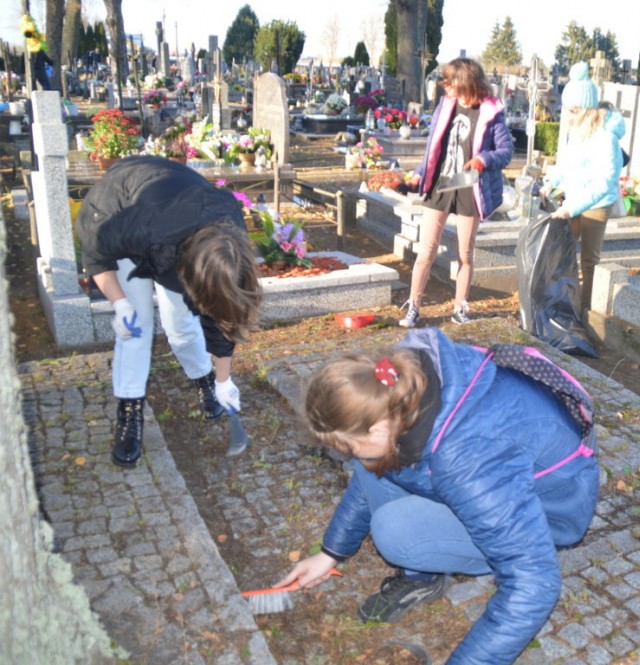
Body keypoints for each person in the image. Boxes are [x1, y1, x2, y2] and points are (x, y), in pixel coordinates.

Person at [278, 328, 599, 663]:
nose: (345, 453)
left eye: (347, 446)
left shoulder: (466, 460)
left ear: (378, 428)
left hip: (548, 513)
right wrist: (330, 553)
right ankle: (421, 574)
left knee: (396, 530)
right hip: (498, 475)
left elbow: (534, 583)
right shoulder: (400, 387)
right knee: (371, 462)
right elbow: (370, 469)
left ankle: (423, 567)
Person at [75, 156, 263, 468]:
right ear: (188, 271)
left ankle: (204, 379)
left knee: (180, 323)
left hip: (175, 220)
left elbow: (222, 312)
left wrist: (223, 379)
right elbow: (96, 250)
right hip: (123, 210)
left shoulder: (229, 235)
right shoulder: (139, 225)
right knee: (136, 327)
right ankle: (130, 407)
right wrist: (119, 303)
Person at [401, 57, 513, 328]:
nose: (444, 85)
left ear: (464, 82)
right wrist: (418, 171)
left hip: (470, 187)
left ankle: (460, 306)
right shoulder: (445, 106)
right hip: (441, 185)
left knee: (465, 253)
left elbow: (505, 151)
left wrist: (482, 159)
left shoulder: (490, 112)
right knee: (426, 250)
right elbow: (433, 146)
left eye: (449, 81)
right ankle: (413, 306)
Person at [542, 62, 623, 313]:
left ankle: (586, 311)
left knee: (589, 260)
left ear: (587, 109)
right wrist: (550, 183)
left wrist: (571, 208)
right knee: (562, 253)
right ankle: (564, 302)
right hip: (574, 200)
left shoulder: (605, 137)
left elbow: (604, 182)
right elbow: (566, 164)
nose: (569, 115)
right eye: (568, 110)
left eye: (574, 110)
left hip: (596, 204)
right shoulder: (578, 132)